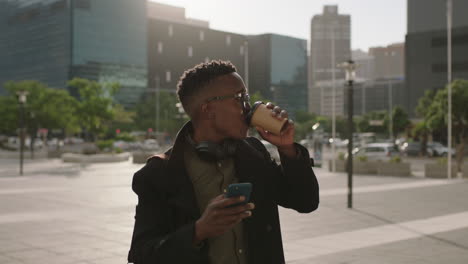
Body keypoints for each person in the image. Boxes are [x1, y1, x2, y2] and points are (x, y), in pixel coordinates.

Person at [128, 60, 319, 264]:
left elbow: (305, 202)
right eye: (240, 98)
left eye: (247, 97)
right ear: (208, 109)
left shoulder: (254, 153)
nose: (249, 107)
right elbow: (142, 254)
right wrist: (198, 231)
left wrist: (287, 148)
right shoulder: (158, 174)